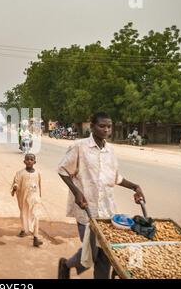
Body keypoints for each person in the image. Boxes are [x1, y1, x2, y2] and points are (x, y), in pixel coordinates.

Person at [57, 112, 145, 279]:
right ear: (92, 126)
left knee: (104, 254)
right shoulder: (80, 147)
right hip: (86, 210)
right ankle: (66, 265)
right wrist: (77, 192)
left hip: (107, 211)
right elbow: (63, 170)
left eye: (109, 126)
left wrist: (135, 187)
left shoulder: (110, 150)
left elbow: (115, 177)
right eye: (102, 126)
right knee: (92, 253)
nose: (106, 129)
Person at [11, 153, 43, 247]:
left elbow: (39, 185)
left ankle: (36, 238)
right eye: (27, 159)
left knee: (36, 216)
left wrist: (39, 196)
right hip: (24, 199)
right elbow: (16, 182)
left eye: (31, 159)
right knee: (24, 214)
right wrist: (15, 188)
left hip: (35, 199)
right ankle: (23, 229)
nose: (29, 161)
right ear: (24, 161)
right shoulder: (20, 173)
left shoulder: (37, 173)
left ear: (35, 162)